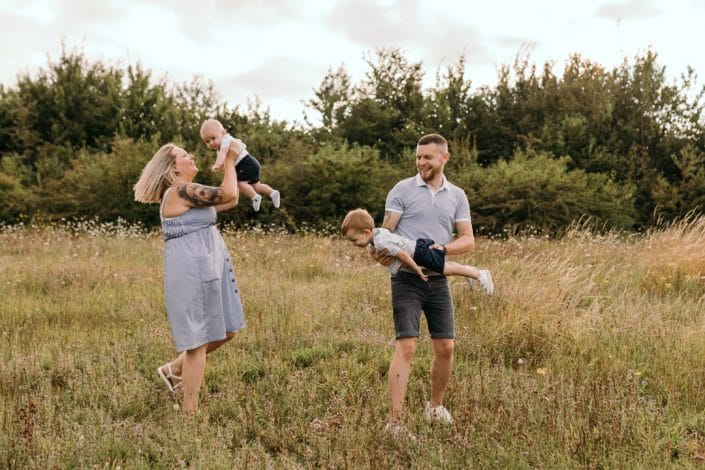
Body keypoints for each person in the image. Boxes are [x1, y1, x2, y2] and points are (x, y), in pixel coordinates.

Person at [372, 133, 483, 437]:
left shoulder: (457, 196)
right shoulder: (402, 190)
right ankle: (394, 422)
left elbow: (468, 238)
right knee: (406, 346)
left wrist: (443, 250)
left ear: (444, 158)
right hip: (406, 279)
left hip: (439, 280)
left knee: (445, 347)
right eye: (418, 157)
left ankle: (435, 406)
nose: (421, 162)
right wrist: (384, 253)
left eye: (427, 158)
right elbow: (385, 233)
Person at [133, 140, 246, 413]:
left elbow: (229, 200)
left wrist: (228, 163)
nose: (191, 155)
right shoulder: (180, 192)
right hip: (191, 270)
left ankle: (172, 370)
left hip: (208, 267)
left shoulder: (188, 196)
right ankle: (189, 412)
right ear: (173, 168)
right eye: (184, 155)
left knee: (226, 331)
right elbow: (229, 192)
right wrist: (230, 160)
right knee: (198, 342)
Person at [341, 208, 493, 294]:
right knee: (444, 266)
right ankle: (469, 271)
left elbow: (401, 255)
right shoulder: (377, 234)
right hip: (418, 248)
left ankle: (479, 274)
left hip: (419, 254)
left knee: (445, 270)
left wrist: (417, 270)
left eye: (354, 240)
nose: (354, 244)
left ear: (367, 232)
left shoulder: (380, 243)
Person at [200, 118, 280, 212]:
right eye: (207, 141)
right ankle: (272, 192)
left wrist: (217, 164)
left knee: (240, 183)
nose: (211, 143)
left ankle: (255, 197)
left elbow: (224, 153)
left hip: (245, 164)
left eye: (213, 138)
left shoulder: (226, 141)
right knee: (256, 186)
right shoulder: (220, 147)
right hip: (250, 163)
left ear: (223, 133)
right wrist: (222, 166)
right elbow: (226, 160)